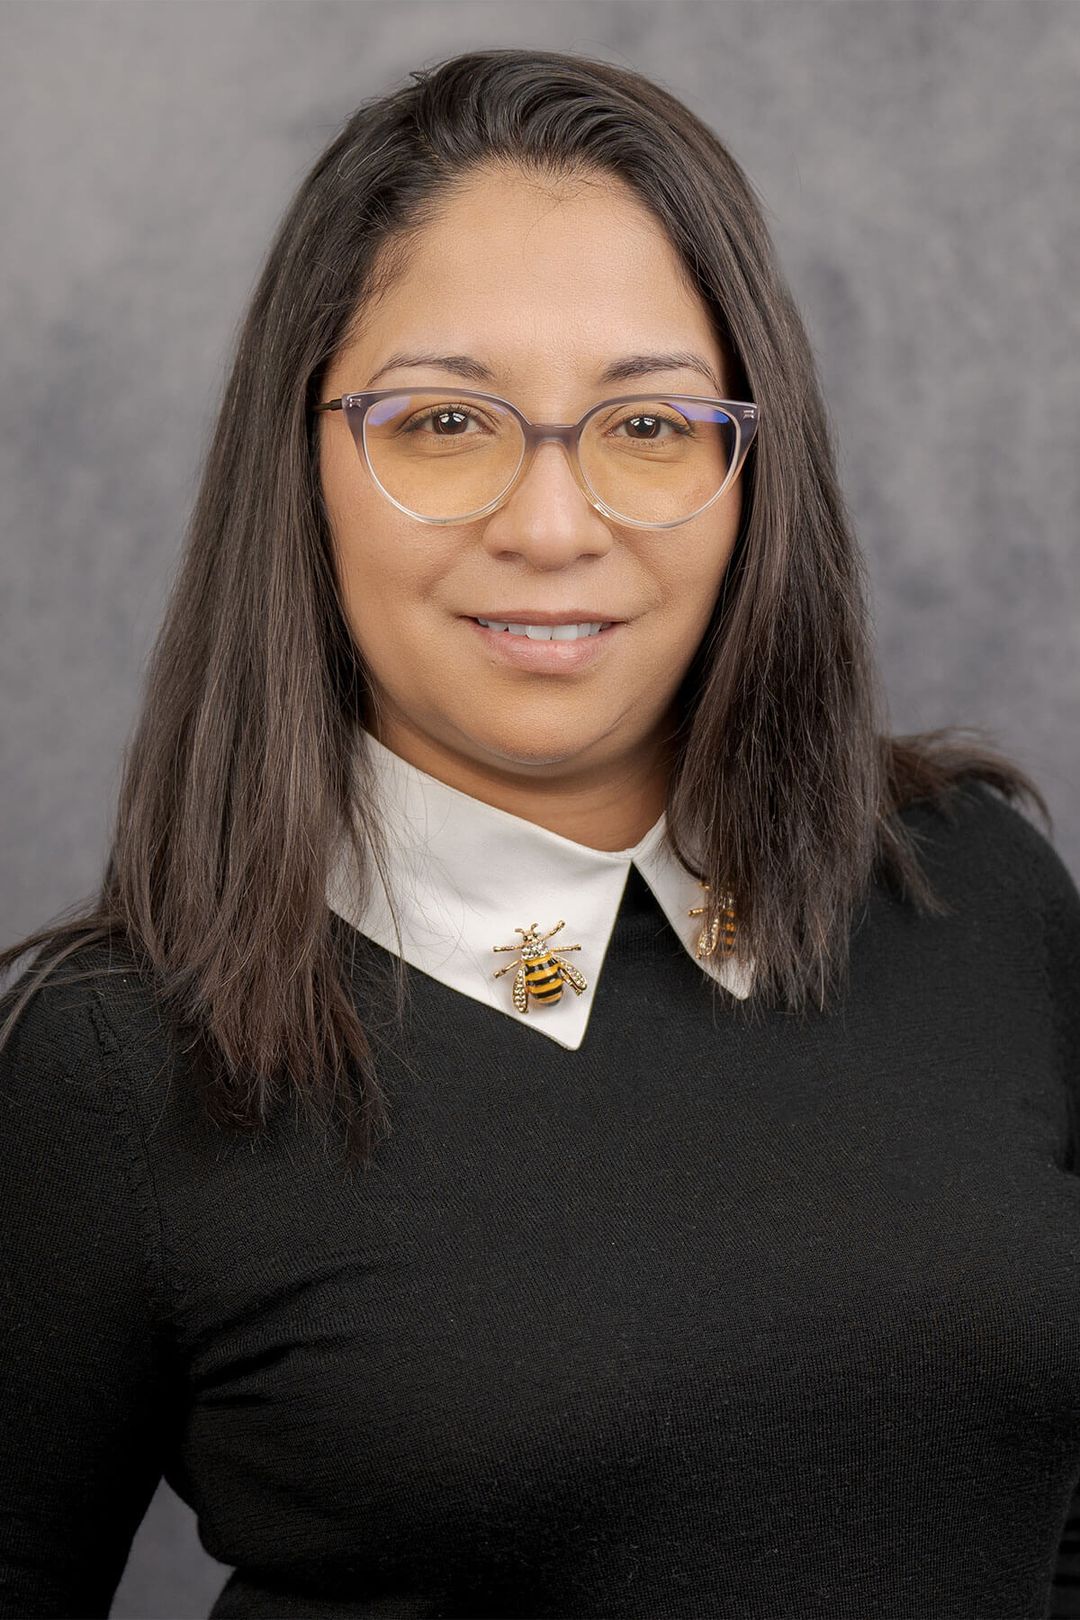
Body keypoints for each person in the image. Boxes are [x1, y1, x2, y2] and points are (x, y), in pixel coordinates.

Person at [1, 45, 1078, 1620]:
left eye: (647, 428)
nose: (553, 524)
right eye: (445, 422)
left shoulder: (980, 889)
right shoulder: (118, 1068)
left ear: (748, 472)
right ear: (301, 465)